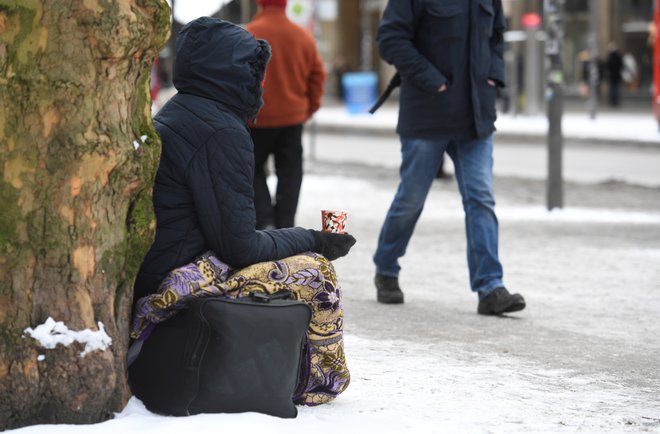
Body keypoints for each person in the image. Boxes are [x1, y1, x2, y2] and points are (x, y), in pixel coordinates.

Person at [131, 17, 356, 405]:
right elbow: (240, 247)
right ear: (229, 73)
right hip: (171, 283)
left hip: (156, 267)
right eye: (254, 71)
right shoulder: (221, 131)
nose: (261, 82)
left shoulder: (179, 110)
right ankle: (317, 385)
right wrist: (315, 240)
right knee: (316, 272)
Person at [372, 0, 526, 316]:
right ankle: (386, 267)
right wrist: (433, 80)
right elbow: (390, 40)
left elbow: (496, 36)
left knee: (481, 198)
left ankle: (490, 287)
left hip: (476, 115)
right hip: (428, 113)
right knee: (411, 198)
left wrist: (493, 75)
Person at [246, 0, 326, 230]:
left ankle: (264, 219)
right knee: (290, 173)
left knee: (250, 169)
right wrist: (308, 107)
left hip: (256, 120)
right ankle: (285, 223)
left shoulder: (250, 34)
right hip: (292, 119)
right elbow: (318, 76)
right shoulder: (302, 36)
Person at [606, 42, 624, 107]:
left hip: (612, 75)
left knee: (613, 88)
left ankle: (613, 100)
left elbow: (608, 65)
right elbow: (621, 65)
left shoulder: (610, 56)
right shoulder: (618, 56)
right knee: (616, 88)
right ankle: (616, 100)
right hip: (617, 75)